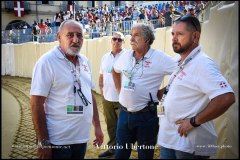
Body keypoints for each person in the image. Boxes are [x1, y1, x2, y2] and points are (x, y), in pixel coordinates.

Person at [157, 16, 235, 159]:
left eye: (180, 34)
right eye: (173, 34)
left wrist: (194, 121)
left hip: (189, 144)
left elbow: (226, 97)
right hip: (170, 139)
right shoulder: (179, 61)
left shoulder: (203, 63)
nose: (174, 38)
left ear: (195, 36)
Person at [30, 20, 104, 159]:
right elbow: (36, 103)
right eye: (70, 35)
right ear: (59, 37)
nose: (76, 40)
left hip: (81, 139)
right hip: (57, 141)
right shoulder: (47, 62)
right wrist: (43, 142)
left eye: (79, 35)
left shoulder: (84, 61)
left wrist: (98, 127)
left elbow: (89, 95)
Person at [112, 23, 178, 159]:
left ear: (147, 39)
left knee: (145, 155)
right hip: (124, 114)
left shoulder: (159, 58)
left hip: (147, 116)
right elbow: (115, 70)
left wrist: (163, 92)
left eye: (136, 35)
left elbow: (182, 72)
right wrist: (119, 91)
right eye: (131, 35)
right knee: (120, 154)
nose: (131, 39)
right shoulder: (126, 55)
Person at [98, 32, 125, 158]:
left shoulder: (128, 56)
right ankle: (112, 149)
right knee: (111, 125)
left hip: (122, 99)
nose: (117, 41)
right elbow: (101, 74)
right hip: (107, 98)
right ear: (111, 41)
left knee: (123, 128)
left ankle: (122, 152)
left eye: (120, 40)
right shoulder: (105, 57)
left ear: (123, 42)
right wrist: (101, 89)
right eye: (114, 39)